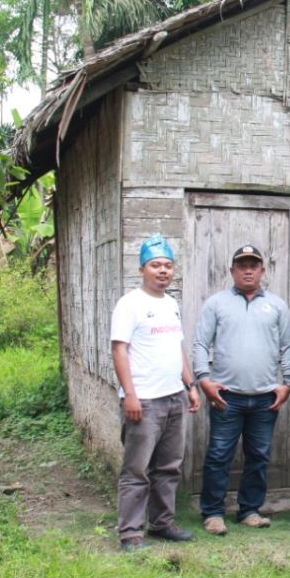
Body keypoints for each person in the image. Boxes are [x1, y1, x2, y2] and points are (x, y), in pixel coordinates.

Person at [192, 245, 290, 536]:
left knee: (259, 455)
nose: (247, 270)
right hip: (227, 397)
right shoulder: (216, 303)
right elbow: (200, 343)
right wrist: (203, 379)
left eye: (253, 265)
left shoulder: (276, 305)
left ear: (263, 270)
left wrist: (287, 383)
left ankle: (249, 509)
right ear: (232, 271)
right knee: (219, 454)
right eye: (242, 265)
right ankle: (212, 513)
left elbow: (288, 346)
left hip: (265, 398)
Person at [110, 233, 202, 552]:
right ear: (142, 270)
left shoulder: (171, 304)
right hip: (144, 401)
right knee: (137, 469)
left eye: (167, 265)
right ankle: (131, 533)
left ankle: (162, 523)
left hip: (174, 396)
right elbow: (119, 350)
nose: (162, 271)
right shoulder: (130, 304)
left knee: (168, 465)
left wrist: (189, 386)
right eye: (155, 265)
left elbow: (177, 347)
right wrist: (130, 394)